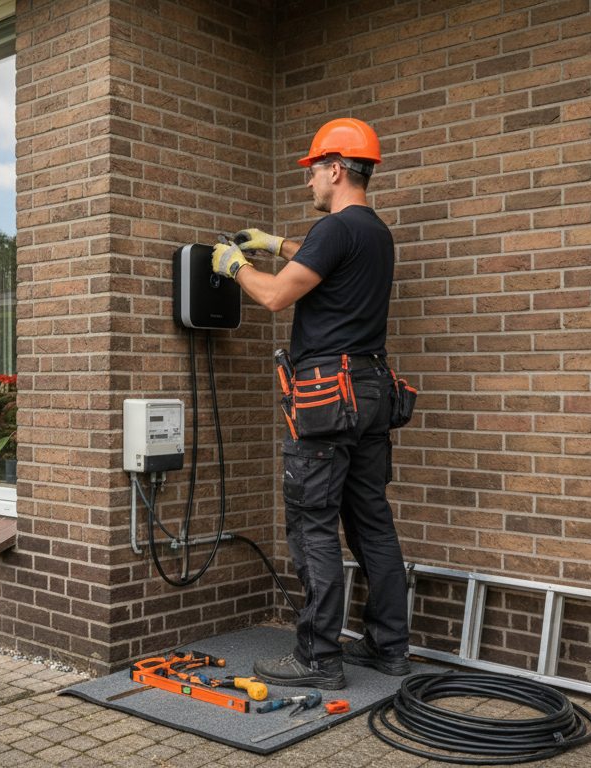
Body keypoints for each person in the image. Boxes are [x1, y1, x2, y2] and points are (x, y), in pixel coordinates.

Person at [211, 117, 410, 690]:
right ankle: (389, 646)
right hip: (372, 390)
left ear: (337, 169)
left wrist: (237, 265)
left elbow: (277, 295)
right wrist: (274, 244)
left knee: (312, 522)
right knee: (371, 522)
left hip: (327, 395)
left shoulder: (335, 228)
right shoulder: (374, 232)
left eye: (314, 170)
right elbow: (323, 260)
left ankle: (319, 658)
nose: (309, 181)